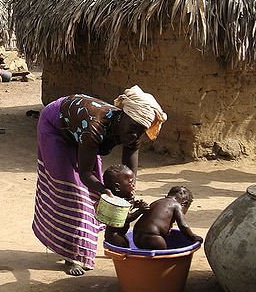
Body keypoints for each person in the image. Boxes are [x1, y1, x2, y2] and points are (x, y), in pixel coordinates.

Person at [33, 85, 167, 276]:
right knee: (73, 192)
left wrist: (128, 195)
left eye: (140, 132)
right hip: (55, 126)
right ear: (122, 116)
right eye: (133, 129)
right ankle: (72, 255)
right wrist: (106, 192)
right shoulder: (95, 127)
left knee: (97, 192)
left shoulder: (132, 130)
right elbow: (86, 174)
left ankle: (81, 243)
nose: (135, 136)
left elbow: (129, 172)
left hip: (79, 129)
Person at [132, 186, 202, 249]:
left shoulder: (157, 202)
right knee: (163, 258)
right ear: (184, 203)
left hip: (136, 237)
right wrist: (193, 237)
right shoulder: (176, 205)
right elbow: (183, 226)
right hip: (154, 237)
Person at [103, 164, 150, 248]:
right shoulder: (115, 202)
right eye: (130, 182)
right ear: (117, 187)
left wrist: (135, 204)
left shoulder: (125, 197)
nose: (133, 185)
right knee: (124, 249)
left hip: (121, 233)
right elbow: (125, 219)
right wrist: (140, 211)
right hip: (114, 235)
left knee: (126, 246)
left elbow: (129, 207)